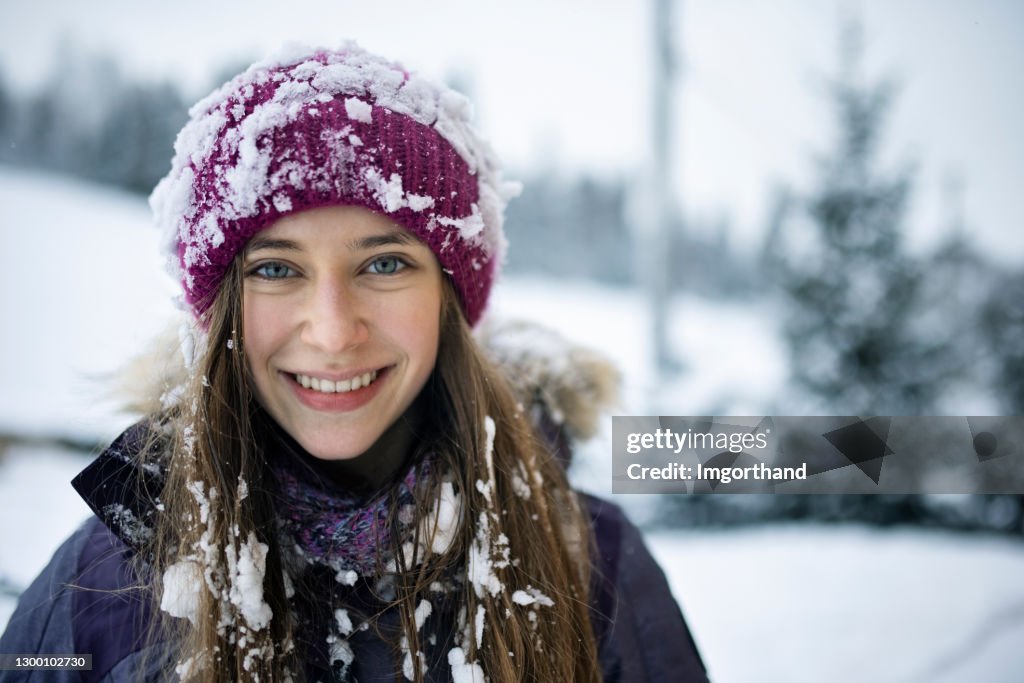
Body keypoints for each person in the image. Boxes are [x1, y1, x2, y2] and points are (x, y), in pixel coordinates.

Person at [0, 43, 708, 682]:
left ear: (450, 301)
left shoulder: (593, 563)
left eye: (386, 262)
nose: (335, 332)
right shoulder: (96, 591)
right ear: (216, 315)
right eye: (276, 269)